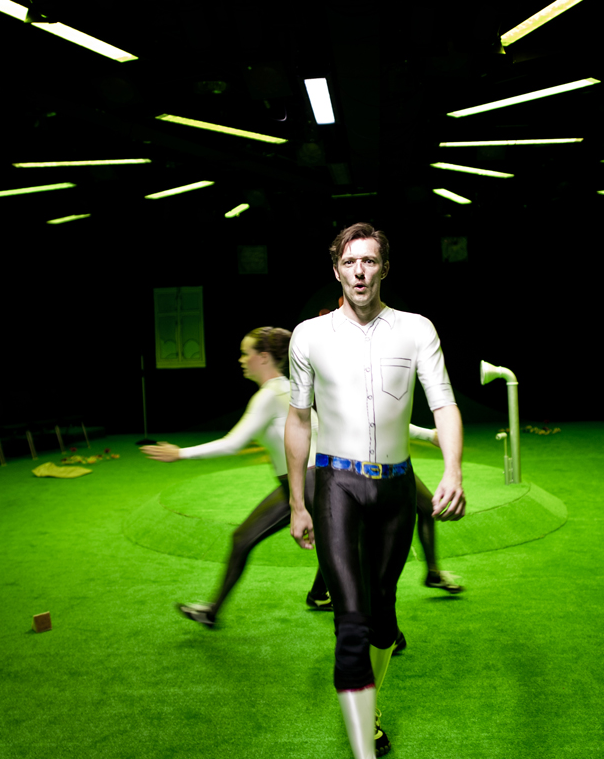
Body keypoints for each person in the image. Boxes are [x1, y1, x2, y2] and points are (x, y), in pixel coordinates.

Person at [285, 222, 466, 759]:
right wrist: (297, 503)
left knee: (383, 618)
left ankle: (371, 705)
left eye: (369, 261)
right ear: (336, 270)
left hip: (395, 490)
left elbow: (445, 405)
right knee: (351, 624)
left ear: (384, 268)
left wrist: (453, 471)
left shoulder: (416, 329)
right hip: (335, 485)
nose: (359, 271)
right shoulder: (308, 336)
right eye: (349, 262)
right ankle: (364, 747)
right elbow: (298, 420)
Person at [141, 327, 320, 629]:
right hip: (304, 481)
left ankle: (374, 625)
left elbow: (233, 444)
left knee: (342, 553)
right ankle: (212, 612)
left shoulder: (268, 395)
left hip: (310, 483)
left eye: (245, 353)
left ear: (263, 357)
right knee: (243, 538)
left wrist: (180, 453)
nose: (241, 360)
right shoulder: (288, 388)